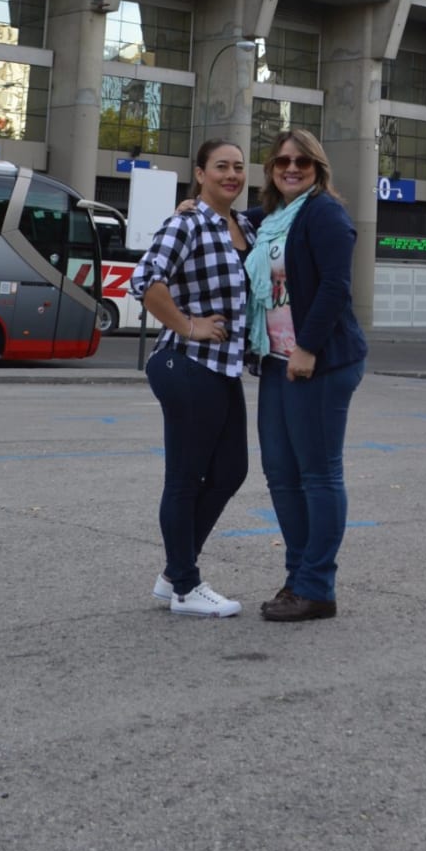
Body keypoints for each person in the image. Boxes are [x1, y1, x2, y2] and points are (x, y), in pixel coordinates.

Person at [132, 138, 256, 617]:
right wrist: (188, 324)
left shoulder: (245, 225)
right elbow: (145, 280)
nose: (232, 174)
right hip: (184, 363)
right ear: (200, 173)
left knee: (230, 471)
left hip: (223, 369)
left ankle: (172, 574)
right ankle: (185, 585)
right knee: (185, 479)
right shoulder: (186, 222)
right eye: (221, 166)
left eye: (239, 167)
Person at [248, 129, 367, 623]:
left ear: (318, 167)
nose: (291, 168)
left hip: (318, 360)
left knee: (318, 474)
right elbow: (231, 219)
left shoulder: (325, 213)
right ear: (272, 169)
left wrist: (308, 346)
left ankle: (317, 586)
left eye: (302, 161)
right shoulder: (273, 219)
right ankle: (298, 577)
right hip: (275, 359)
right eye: (281, 161)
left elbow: (336, 286)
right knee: (280, 473)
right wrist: (193, 208)